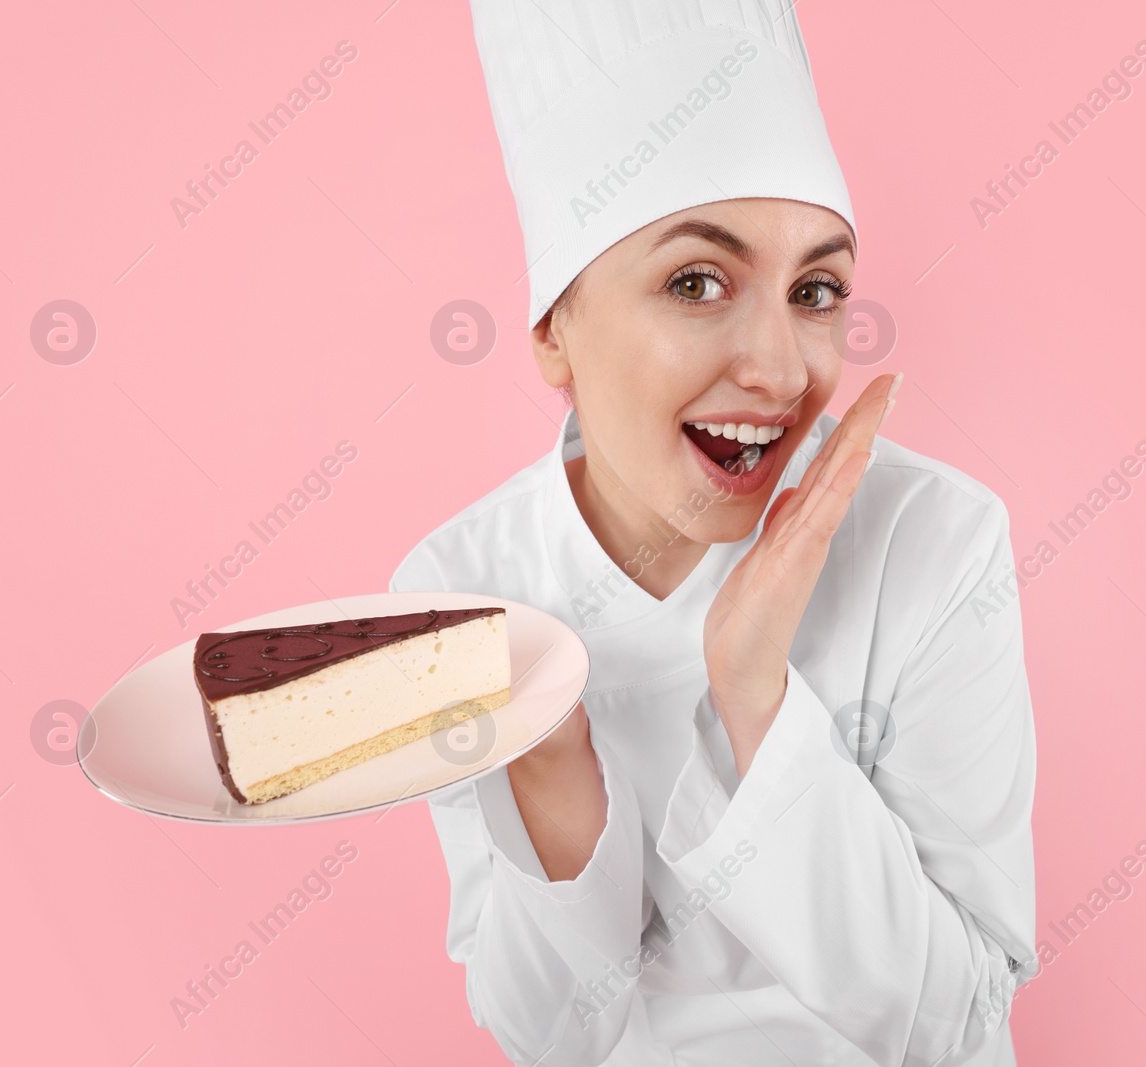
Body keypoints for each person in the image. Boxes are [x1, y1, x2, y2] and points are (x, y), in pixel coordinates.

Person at [389, 2, 1038, 1063]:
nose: (785, 373)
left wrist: (759, 698)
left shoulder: (935, 544)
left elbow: (958, 1024)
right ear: (554, 328)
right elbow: (544, 1035)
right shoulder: (463, 586)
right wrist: (549, 766)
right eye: (697, 282)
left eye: (816, 289)